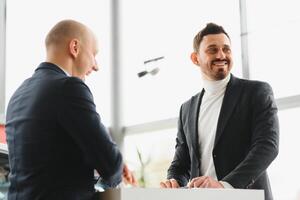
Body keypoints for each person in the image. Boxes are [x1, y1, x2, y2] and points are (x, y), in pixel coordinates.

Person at [5, 19, 136, 200]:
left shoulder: (18, 95)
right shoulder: (69, 87)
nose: (96, 66)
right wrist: (112, 167)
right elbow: (111, 165)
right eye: (94, 54)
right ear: (75, 47)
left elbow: (47, 165)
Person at [160, 23, 279, 200]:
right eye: (212, 50)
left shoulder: (256, 92)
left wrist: (225, 186)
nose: (221, 55)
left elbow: (267, 146)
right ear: (195, 58)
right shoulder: (186, 109)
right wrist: (173, 180)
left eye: (226, 49)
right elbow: (181, 162)